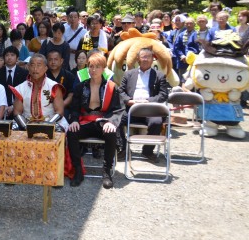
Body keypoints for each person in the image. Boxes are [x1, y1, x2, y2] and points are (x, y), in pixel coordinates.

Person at [67, 53, 123, 189]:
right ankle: (78, 171)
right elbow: (74, 108)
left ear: (104, 68)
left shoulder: (111, 87)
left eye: (97, 67)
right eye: (91, 66)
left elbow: (117, 109)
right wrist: (74, 120)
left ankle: (106, 171)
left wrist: (111, 122)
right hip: (86, 121)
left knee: (111, 133)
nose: (93, 70)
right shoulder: (80, 87)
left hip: (103, 122)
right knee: (71, 132)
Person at [118, 48, 170, 162]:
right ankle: (124, 149)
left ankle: (147, 151)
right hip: (132, 108)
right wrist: (128, 100)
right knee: (116, 120)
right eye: (143, 57)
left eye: (148, 57)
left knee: (156, 122)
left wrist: (149, 100)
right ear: (138, 59)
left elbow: (163, 94)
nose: (145, 59)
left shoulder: (159, 75)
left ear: (153, 60)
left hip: (149, 109)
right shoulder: (128, 74)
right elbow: (120, 91)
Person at [10, 54, 66, 124]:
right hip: (27, 123)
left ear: (45, 68)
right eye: (32, 65)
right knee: (13, 128)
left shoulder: (54, 86)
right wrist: (25, 127)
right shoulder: (20, 88)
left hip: (51, 123)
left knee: (59, 129)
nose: (35, 69)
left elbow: (59, 112)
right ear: (28, 67)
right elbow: (17, 112)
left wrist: (47, 125)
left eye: (39, 65)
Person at [0, 46, 29, 118]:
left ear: (17, 58)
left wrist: (13, 106)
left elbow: (25, 92)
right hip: (1, 108)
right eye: (7, 55)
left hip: (19, 108)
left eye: (12, 55)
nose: (9, 58)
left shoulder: (24, 73)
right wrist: (3, 106)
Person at [46, 50, 75, 114]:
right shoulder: (43, 75)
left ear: (61, 61)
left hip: (64, 107)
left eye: (56, 59)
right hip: (45, 108)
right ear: (47, 61)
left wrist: (61, 105)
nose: (53, 62)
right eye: (50, 60)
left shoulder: (69, 75)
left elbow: (71, 94)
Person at [173, 17, 200, 83]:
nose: (189, 25)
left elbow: (199, 47)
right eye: (187, 23)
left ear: (194, 24)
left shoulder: (197, 35)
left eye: (191, 23)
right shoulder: (181, 35)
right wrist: (182, 55)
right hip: (183, 61)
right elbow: (176, 47)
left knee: (194, 80)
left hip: (194, 61)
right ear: (184, 25)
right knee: (182, 81)